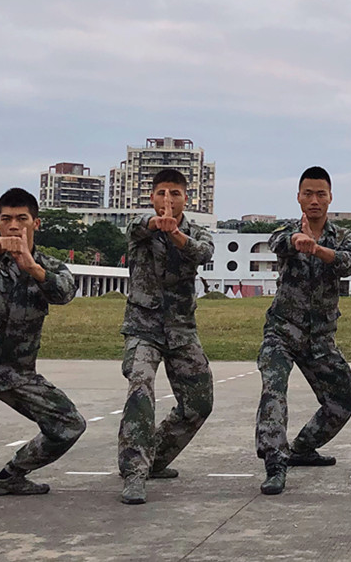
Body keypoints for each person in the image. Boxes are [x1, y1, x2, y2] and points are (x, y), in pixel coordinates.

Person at [0, 188, 84, 527]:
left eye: (21, 219)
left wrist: (32, 267)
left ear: (35, 222)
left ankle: (10, 476)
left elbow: (64, 292)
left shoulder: (50, 266)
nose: (13, 226)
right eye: (6, 219)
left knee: (69, 425)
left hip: (18, 370)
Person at [256, 166, 351, 495]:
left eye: (321, 194)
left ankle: (300, 449)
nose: (314, 200)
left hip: (320, 339)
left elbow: (347, 263)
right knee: (274, 390)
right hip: (282, 333)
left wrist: (316, 248)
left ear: (330, 198)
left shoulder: (344, 237)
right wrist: (296, 240)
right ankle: (275, 461)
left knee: (343, 401)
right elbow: (278, 243)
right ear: (299, 197)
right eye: (308, 194)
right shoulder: (285, 231)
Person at [117, 168, 215, 505]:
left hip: (181, 330)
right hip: (143, 327)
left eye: (175, 194)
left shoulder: (197, 232)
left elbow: (202, 252)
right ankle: (134, 472)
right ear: (152, 197)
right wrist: (157, 226)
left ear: (187, 198)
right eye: (161, 193)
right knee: (140, 386)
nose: (168, 201)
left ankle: (153, 459)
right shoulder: (141, 229)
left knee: (200, 402)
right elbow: (136, 228)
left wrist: (176, 235)